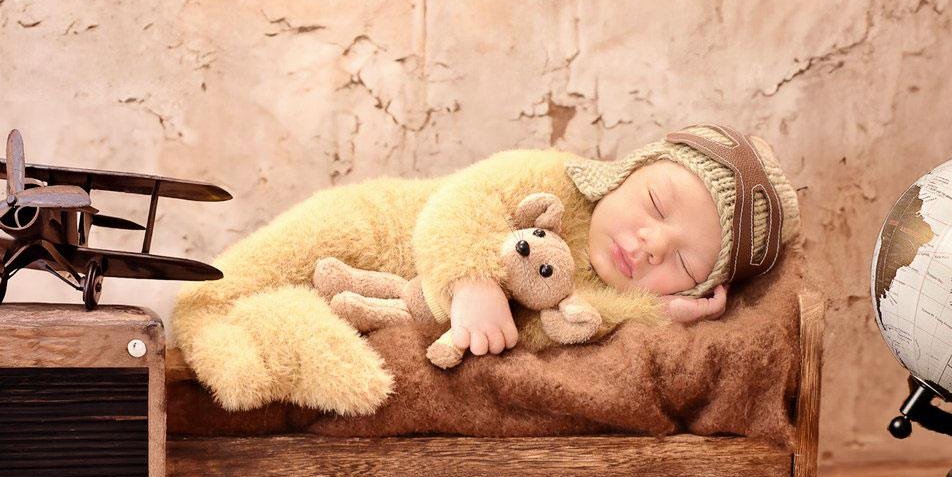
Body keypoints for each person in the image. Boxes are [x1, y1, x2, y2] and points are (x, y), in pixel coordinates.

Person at [172, 124, 800, 415]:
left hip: (400, 297)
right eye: (656, 203)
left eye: (684, 260)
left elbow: (576, 320)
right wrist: (470, 281)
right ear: (632, 169)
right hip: (382, 225)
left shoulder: (610, 290)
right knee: (253, 271)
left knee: (286, 316)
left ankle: (261, 334)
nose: (650, 243)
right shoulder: (552, 174)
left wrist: (664, 313)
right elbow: (459, 205)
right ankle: (207, 311)